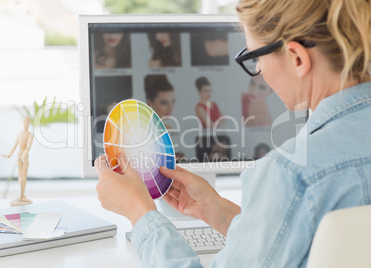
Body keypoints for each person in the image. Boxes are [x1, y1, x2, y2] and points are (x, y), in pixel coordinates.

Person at [95, 0, 370, 267]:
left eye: (256, 58)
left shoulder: (291, 174)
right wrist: (216, 210)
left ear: (298, 58)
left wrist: (140, 214)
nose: (258, 73)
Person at [2, 116, 34, 207]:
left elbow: (28, 147)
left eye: (27, 121)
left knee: (24, 177)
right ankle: (21, 195)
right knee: (20, 177)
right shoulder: (19, 133)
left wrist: (26, 153)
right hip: (19, 156)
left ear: (29, 123)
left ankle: (22, 195)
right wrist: (9, 154)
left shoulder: (30, 134)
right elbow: (15, 145)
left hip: (25, 157)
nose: (26, 123)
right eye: (24, 121)